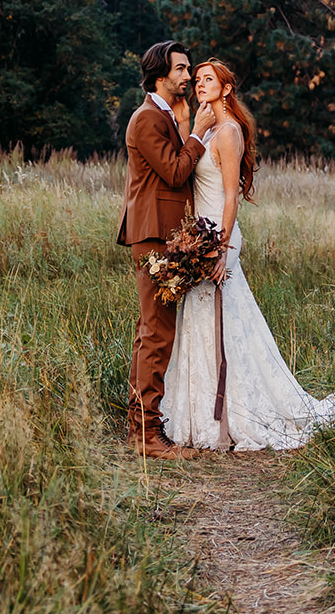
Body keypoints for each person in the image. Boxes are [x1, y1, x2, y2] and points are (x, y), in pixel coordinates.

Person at [161, 58, 335, 450]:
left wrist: (221, 246)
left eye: (208, 80)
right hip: (200, 237)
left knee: (220, 323)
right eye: (196, 80)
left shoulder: (228, 132)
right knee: (201, 322)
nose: (199, 84)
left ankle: (229, 416)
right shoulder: (208, 131)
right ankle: (204, 414)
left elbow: (231, 195)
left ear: (227, 89)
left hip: (219, 239)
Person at [117, 40, 215, 457]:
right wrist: (196, 134)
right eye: (181, 69)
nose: (188, 75)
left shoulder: (165, 115)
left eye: (189, 68)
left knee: (156, 330)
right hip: (153, 235)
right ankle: (145, 436)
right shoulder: (146, 119)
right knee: (155, 332)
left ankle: (144, 426)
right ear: (160, 74)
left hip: (166, 234)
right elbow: (175, 173)